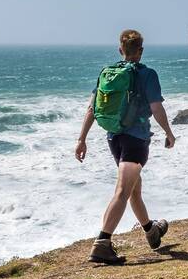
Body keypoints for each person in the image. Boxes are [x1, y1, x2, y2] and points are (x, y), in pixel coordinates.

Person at [75, 29, 176, 265]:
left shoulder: (108, 74)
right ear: (140, 50)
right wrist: (169, 133)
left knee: (133, 190)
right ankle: (102, 244)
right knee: (123, 191)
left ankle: (152, 231)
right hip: (136, 140)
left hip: (114, 139)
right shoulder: (147, 74)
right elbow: (156, 108)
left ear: (120, 50)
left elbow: (92, 109)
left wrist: (82, 139)